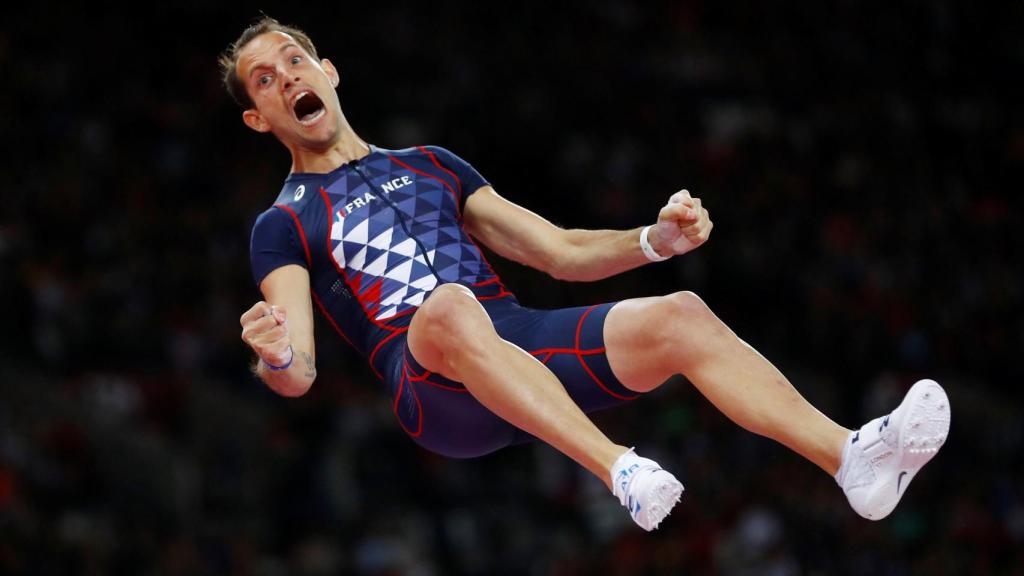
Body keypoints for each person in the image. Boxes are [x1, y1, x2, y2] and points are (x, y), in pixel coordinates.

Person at [222, 16, 950, 531]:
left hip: (522, 346)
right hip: (436, 388)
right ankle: (617, 470)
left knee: (683, 314)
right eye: (264, 80)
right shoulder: (284, 222)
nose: (284, 79)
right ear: (258, 119)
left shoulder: (431, 165)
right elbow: (301, 372)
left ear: (328, 71)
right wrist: (277, 355)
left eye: (292, 60)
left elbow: (558, 252)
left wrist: (654, 240)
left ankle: (851, 459)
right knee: (445, 308)